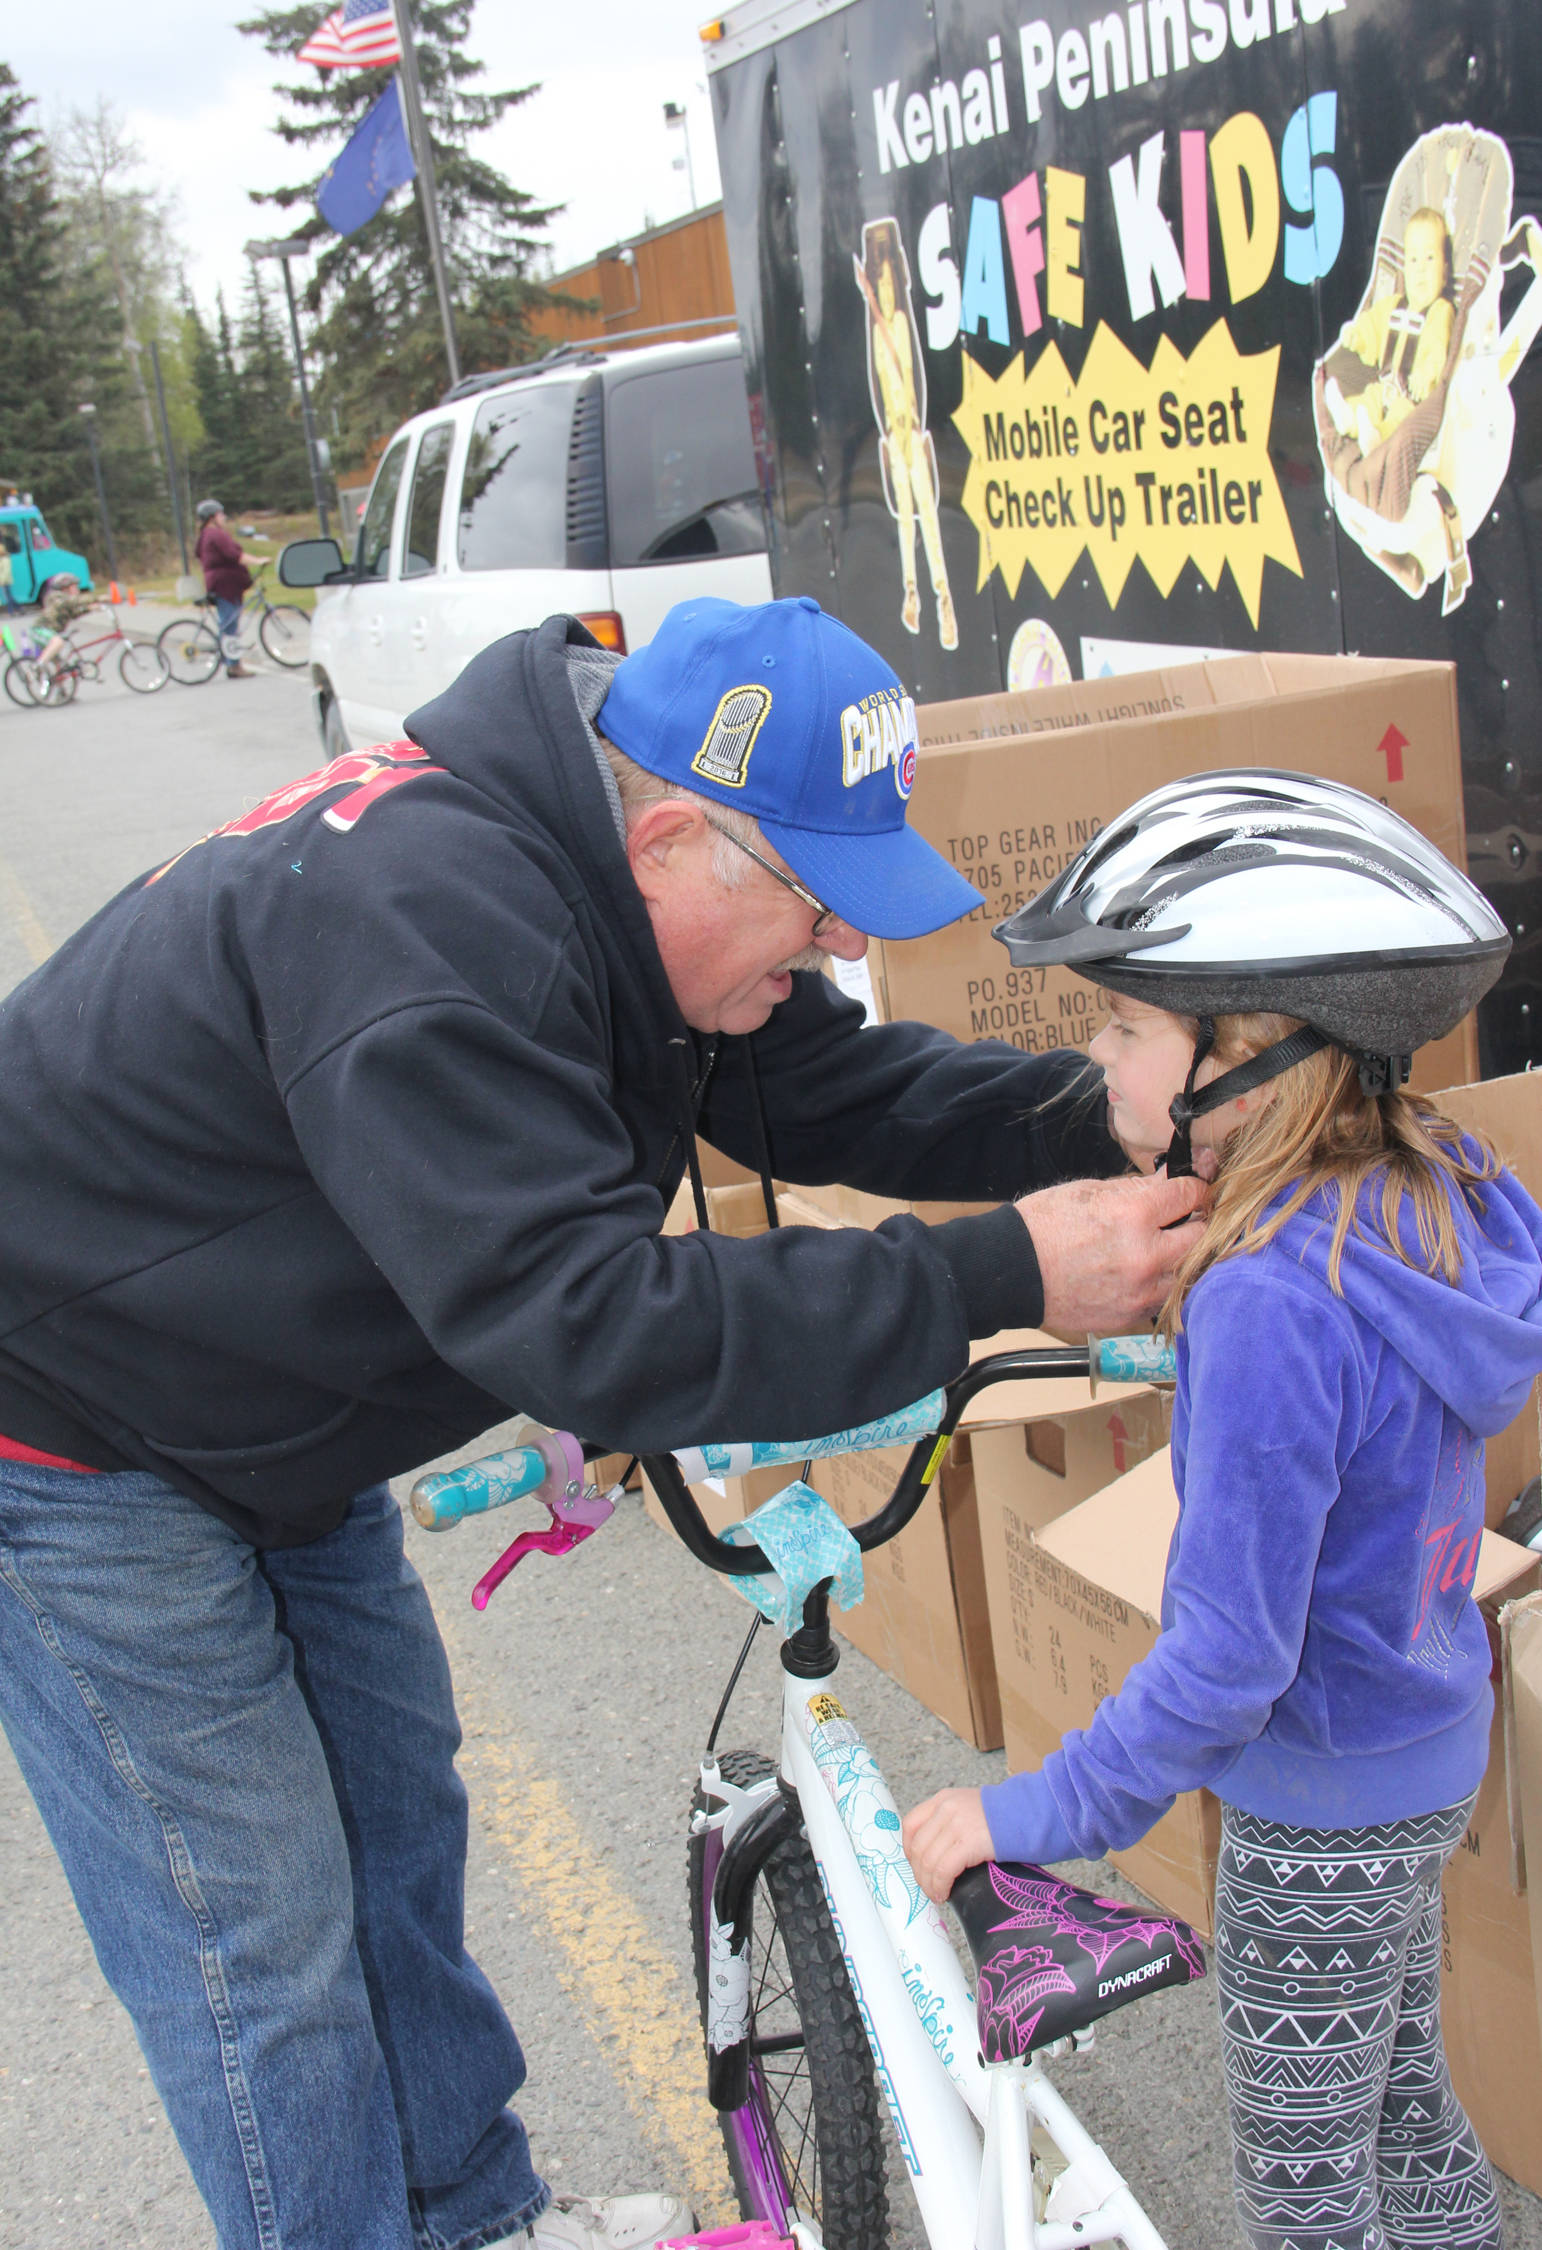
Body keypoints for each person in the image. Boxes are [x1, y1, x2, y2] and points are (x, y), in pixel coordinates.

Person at [0, 595, 1204, 2250]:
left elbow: (832, 1094)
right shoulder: (434, 937)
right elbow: (591, 1330)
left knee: (390, 1837)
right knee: (259, 1937)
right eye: (816, 901)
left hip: (268, 1410)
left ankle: (472, 2217)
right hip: (76, 1432)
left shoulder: (603, 881)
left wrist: (1122, 1118)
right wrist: (1008, 1269)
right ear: (667, 843)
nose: (843, 946)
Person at [902, 770, 1536, 2250]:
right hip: (1422, 1741)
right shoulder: (1422, 1191)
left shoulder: (1266, 1298)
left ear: (1249, 1058)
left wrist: (1031, 1809)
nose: (1092, 1048)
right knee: (1394, 2103)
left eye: (1124, 1023)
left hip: (1313, 1797)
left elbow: (1225, 1659)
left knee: (1307, 2193)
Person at [1322, 206, 1455, 456]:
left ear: (1445, 273)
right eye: (1413, 260)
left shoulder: (1440, 311)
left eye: (1430, 258)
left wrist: (1425, 376)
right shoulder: (1392, 305)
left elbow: (1438, 350)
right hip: (1384, 387)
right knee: (1367, 402)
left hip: (1413, 398)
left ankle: (1377, 438)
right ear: (1404, 269)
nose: (1421, 269)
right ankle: (1348, 419)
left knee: (1399, 418)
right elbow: (1370, 327)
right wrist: (1356, 336)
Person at [194, 495, 255, 678]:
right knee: (230, 625)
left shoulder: (206, 535)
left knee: (229, 623)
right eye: (221, 514)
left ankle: (231, 661)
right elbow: (234, 554)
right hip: (225, 585)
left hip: (221, 583)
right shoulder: (215, 534)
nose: (224, 518)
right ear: (212, 517)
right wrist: (258, 560)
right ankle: (234, 665)